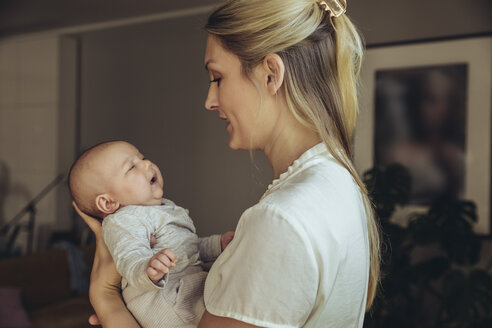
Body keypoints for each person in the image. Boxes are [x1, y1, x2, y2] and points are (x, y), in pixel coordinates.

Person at [74, 0, 381, 327]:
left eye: (217, 77)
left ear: (270, 74)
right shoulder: (339, 183)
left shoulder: (282, 219)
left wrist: (106, 299)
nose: (209, 101)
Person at [69, 140, 235, 327]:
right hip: (164, 300)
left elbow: (186, 249)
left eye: (143, 158)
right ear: (108, 203)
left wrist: (217, 244)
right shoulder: (123, 221)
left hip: (182, 288)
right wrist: (147, 268)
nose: (146, 164)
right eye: (131, 167)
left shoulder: (163, 208)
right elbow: (128, 257)